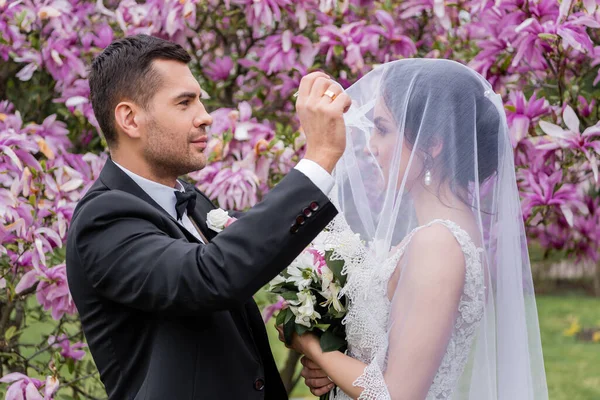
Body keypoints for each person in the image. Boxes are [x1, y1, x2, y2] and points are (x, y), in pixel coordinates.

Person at [65, 34, 350, 400]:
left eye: (200, 100)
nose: (206, 117)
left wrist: (321, 344)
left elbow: (259, 247)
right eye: (185, 103)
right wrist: (319, 157)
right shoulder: (102, 220)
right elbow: (211, 276)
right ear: (130, 119)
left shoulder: (191, 198)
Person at [278, 59, 549, 399]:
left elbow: (398, 393)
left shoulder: (438, 244)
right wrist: (336, 368)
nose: (369, 144)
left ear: (432, 144)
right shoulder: (435, 234)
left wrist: (314, 346)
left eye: (382, 129)